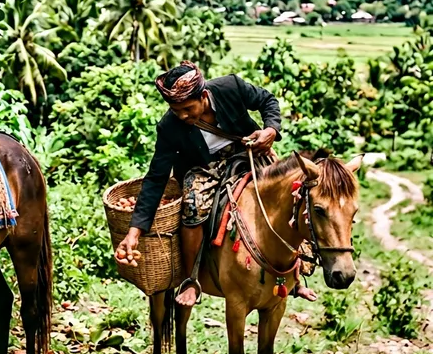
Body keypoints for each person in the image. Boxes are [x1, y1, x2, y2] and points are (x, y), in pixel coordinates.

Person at [115, 62, 317, 305]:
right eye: (176, 110)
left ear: (203, 95)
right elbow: (156, 177)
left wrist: (271, 129)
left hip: (249, 153)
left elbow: (267, 100)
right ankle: (191, 280)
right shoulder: (169, 126)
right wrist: (135, 231)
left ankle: (296, 273)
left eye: (188, 109)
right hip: (203, 168)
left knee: (288, 194)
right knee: (193, 205)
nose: (183, 116)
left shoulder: (230, 87)